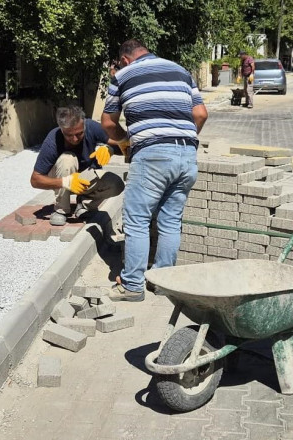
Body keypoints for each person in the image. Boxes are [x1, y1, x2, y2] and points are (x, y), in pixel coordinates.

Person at [101, 39, 208, 302]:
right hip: (186, 154)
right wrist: (181, 141)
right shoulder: (181, 71)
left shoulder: (123, 74)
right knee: (170, 221)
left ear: (125, 59)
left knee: (137, 220)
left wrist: (126, 141)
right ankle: (163, 283)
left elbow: (107, 123)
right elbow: (202, 114)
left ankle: (133, 285)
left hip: (152, 154)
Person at [30, 106, 125, 226]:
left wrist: (109, 149)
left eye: (79, 134)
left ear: (84, 125)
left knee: (116, 184)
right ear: (62, 129)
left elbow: (124, 145)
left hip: (86, 179)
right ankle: (61, 209)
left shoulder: (91, 126)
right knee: (67, 159)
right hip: (63, 180)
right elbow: (35, 180)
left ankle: (84, 205)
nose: (75, 139)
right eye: (69, 135)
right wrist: (66, 182)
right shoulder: (53, 140)